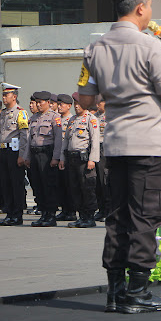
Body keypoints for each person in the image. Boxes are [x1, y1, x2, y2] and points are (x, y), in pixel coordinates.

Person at [77, 0, 161, 314]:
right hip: (148, 146)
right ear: (141, 8)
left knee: (118, 215)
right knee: (146, 216)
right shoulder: (150, 46)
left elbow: (84, 98)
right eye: (150, 7)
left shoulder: (94, 49)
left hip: (115, 144)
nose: (150, 12)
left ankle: (115, 291)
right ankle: (137, 294)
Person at [59, 93, 100, 228]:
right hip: (72, 158)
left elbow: (95, 141)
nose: (77, 106)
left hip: (84, 159)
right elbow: (66, 141)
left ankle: (89, 217)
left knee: (87, 188)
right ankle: (81, 216)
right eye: (75, 103)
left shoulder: (91, 119)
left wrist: (92, 159)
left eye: (79, 103)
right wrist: (62, 158)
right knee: (75, 188)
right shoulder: (72, 120)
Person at [0, 83, 29, 226]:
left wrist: (22, 155)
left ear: (14, 97)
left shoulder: (21, 113)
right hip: (3, 151)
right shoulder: (2, 113)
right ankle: (9, 213)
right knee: (6, 184)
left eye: (6, 95)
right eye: (3, 95)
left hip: (15, 152)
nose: (3, 97)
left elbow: (24, 135)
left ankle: (17, 214)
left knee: (16, 184)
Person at [26, 91, 62, 227]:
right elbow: (30, 139)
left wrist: (56, 157)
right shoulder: (34, 118)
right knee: (38, 184)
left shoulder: (54, 117)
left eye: (41, 102)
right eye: (37, 102)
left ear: (48, 103)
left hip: (47, 154)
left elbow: (59, 139)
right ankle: (43, 213)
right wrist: (27, 157)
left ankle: (51, 215)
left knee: (49, 185)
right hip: (35, 154)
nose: (38, 104)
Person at [55, 94, 78, 222]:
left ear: (69, 106)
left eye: (61, 104)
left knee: (70, 185)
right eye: (58, 104)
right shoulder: (57, 120)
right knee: (61, 185)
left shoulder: (72, 120)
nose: (59, 107)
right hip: (58, 155)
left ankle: (71, 210)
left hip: (69, 156)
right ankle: (64, 209)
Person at [93, 96, 112, 221]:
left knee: (107, 181)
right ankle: (101, 209)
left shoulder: (112, 115)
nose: (97, 105)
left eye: (99, 102)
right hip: (96, 149)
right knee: (97, 181)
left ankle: (109, 211)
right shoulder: (95, 117)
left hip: (107, 149)